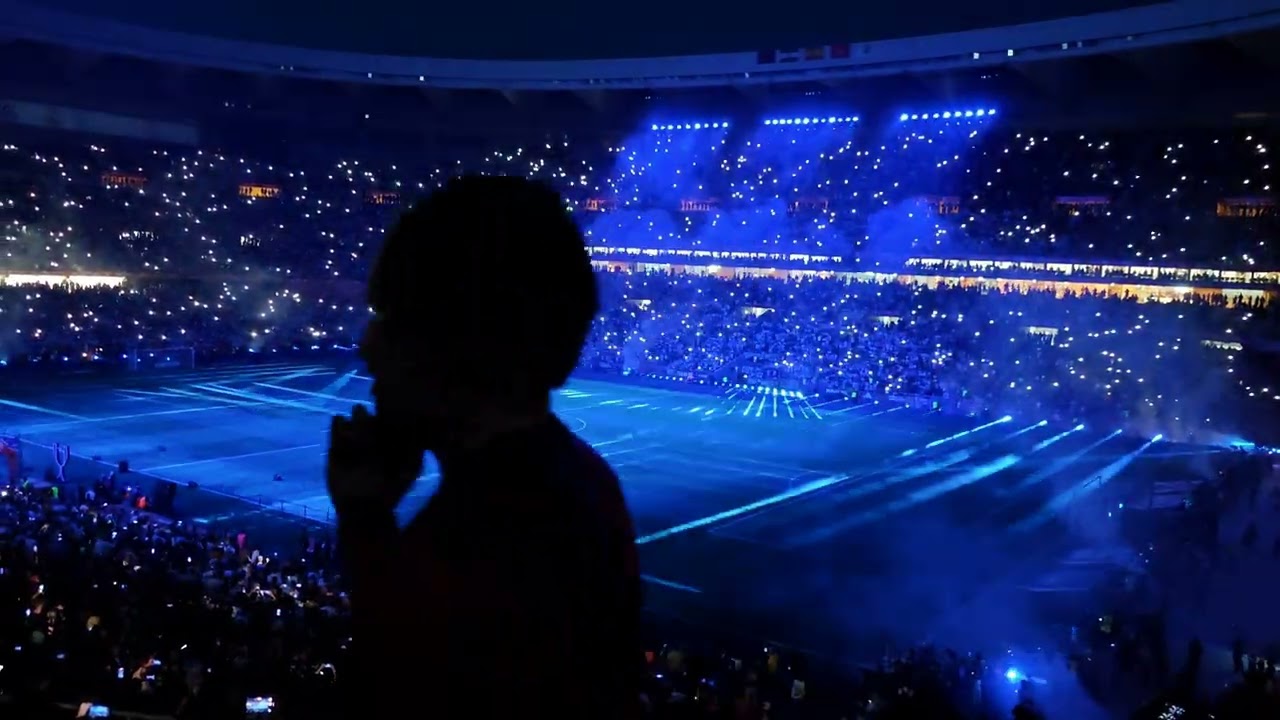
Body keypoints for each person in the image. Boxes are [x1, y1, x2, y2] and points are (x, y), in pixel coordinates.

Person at [326, 176, 643, 718]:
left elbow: (403, 686)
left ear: (463, 346)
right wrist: (365, 517)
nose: (367, 348)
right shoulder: (554, 487)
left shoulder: (503, 527)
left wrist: (364, 521)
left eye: (393, 322)